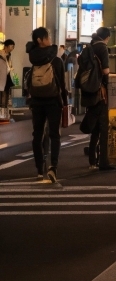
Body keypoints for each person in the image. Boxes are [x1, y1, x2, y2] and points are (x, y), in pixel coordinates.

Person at [25, 28, 68, 182]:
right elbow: (62, 84)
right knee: (54, 134)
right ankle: (53, 167)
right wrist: (65, 102)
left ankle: (39, 168)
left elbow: (28, 82)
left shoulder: (32, 59)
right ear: (40, 40)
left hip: (36, 101)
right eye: (47, 37)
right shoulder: (56, 60)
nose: (49, 39)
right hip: (53, 101)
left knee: (37, 134)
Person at [82, 28, 112, 171]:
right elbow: (105, 70)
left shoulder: (90, 46)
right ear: (106, 37)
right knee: (102, 126)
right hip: (100, 91)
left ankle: (92, 161)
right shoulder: (103, 48)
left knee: (95, 128)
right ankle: (103, 161)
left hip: (89, 91)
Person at [0, 39, 15, 113]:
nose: (12, 48)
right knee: (2, 93)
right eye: (11, 46)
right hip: (2, 76)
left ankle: (5, 109)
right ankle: (2, 109)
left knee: (6, 92)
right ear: (6, 46)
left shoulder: (9, 55)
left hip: (7, 75)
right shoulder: (1, 54)